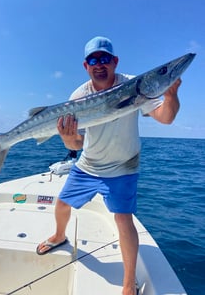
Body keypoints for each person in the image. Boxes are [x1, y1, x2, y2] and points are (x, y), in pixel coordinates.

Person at [37, 36, 181, 295]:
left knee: (123, 219)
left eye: (105, 59)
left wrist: (170, 95)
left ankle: (128, 283)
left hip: (124, 165)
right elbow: (77, 144)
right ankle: (59, 236)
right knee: (61, 204)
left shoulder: (135, 86)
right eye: (94, 60)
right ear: (86, 65)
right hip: (89, 163)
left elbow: (166, 118)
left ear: (114, 62)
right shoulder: (79, 96)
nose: (99, 64)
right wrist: (67, 136)